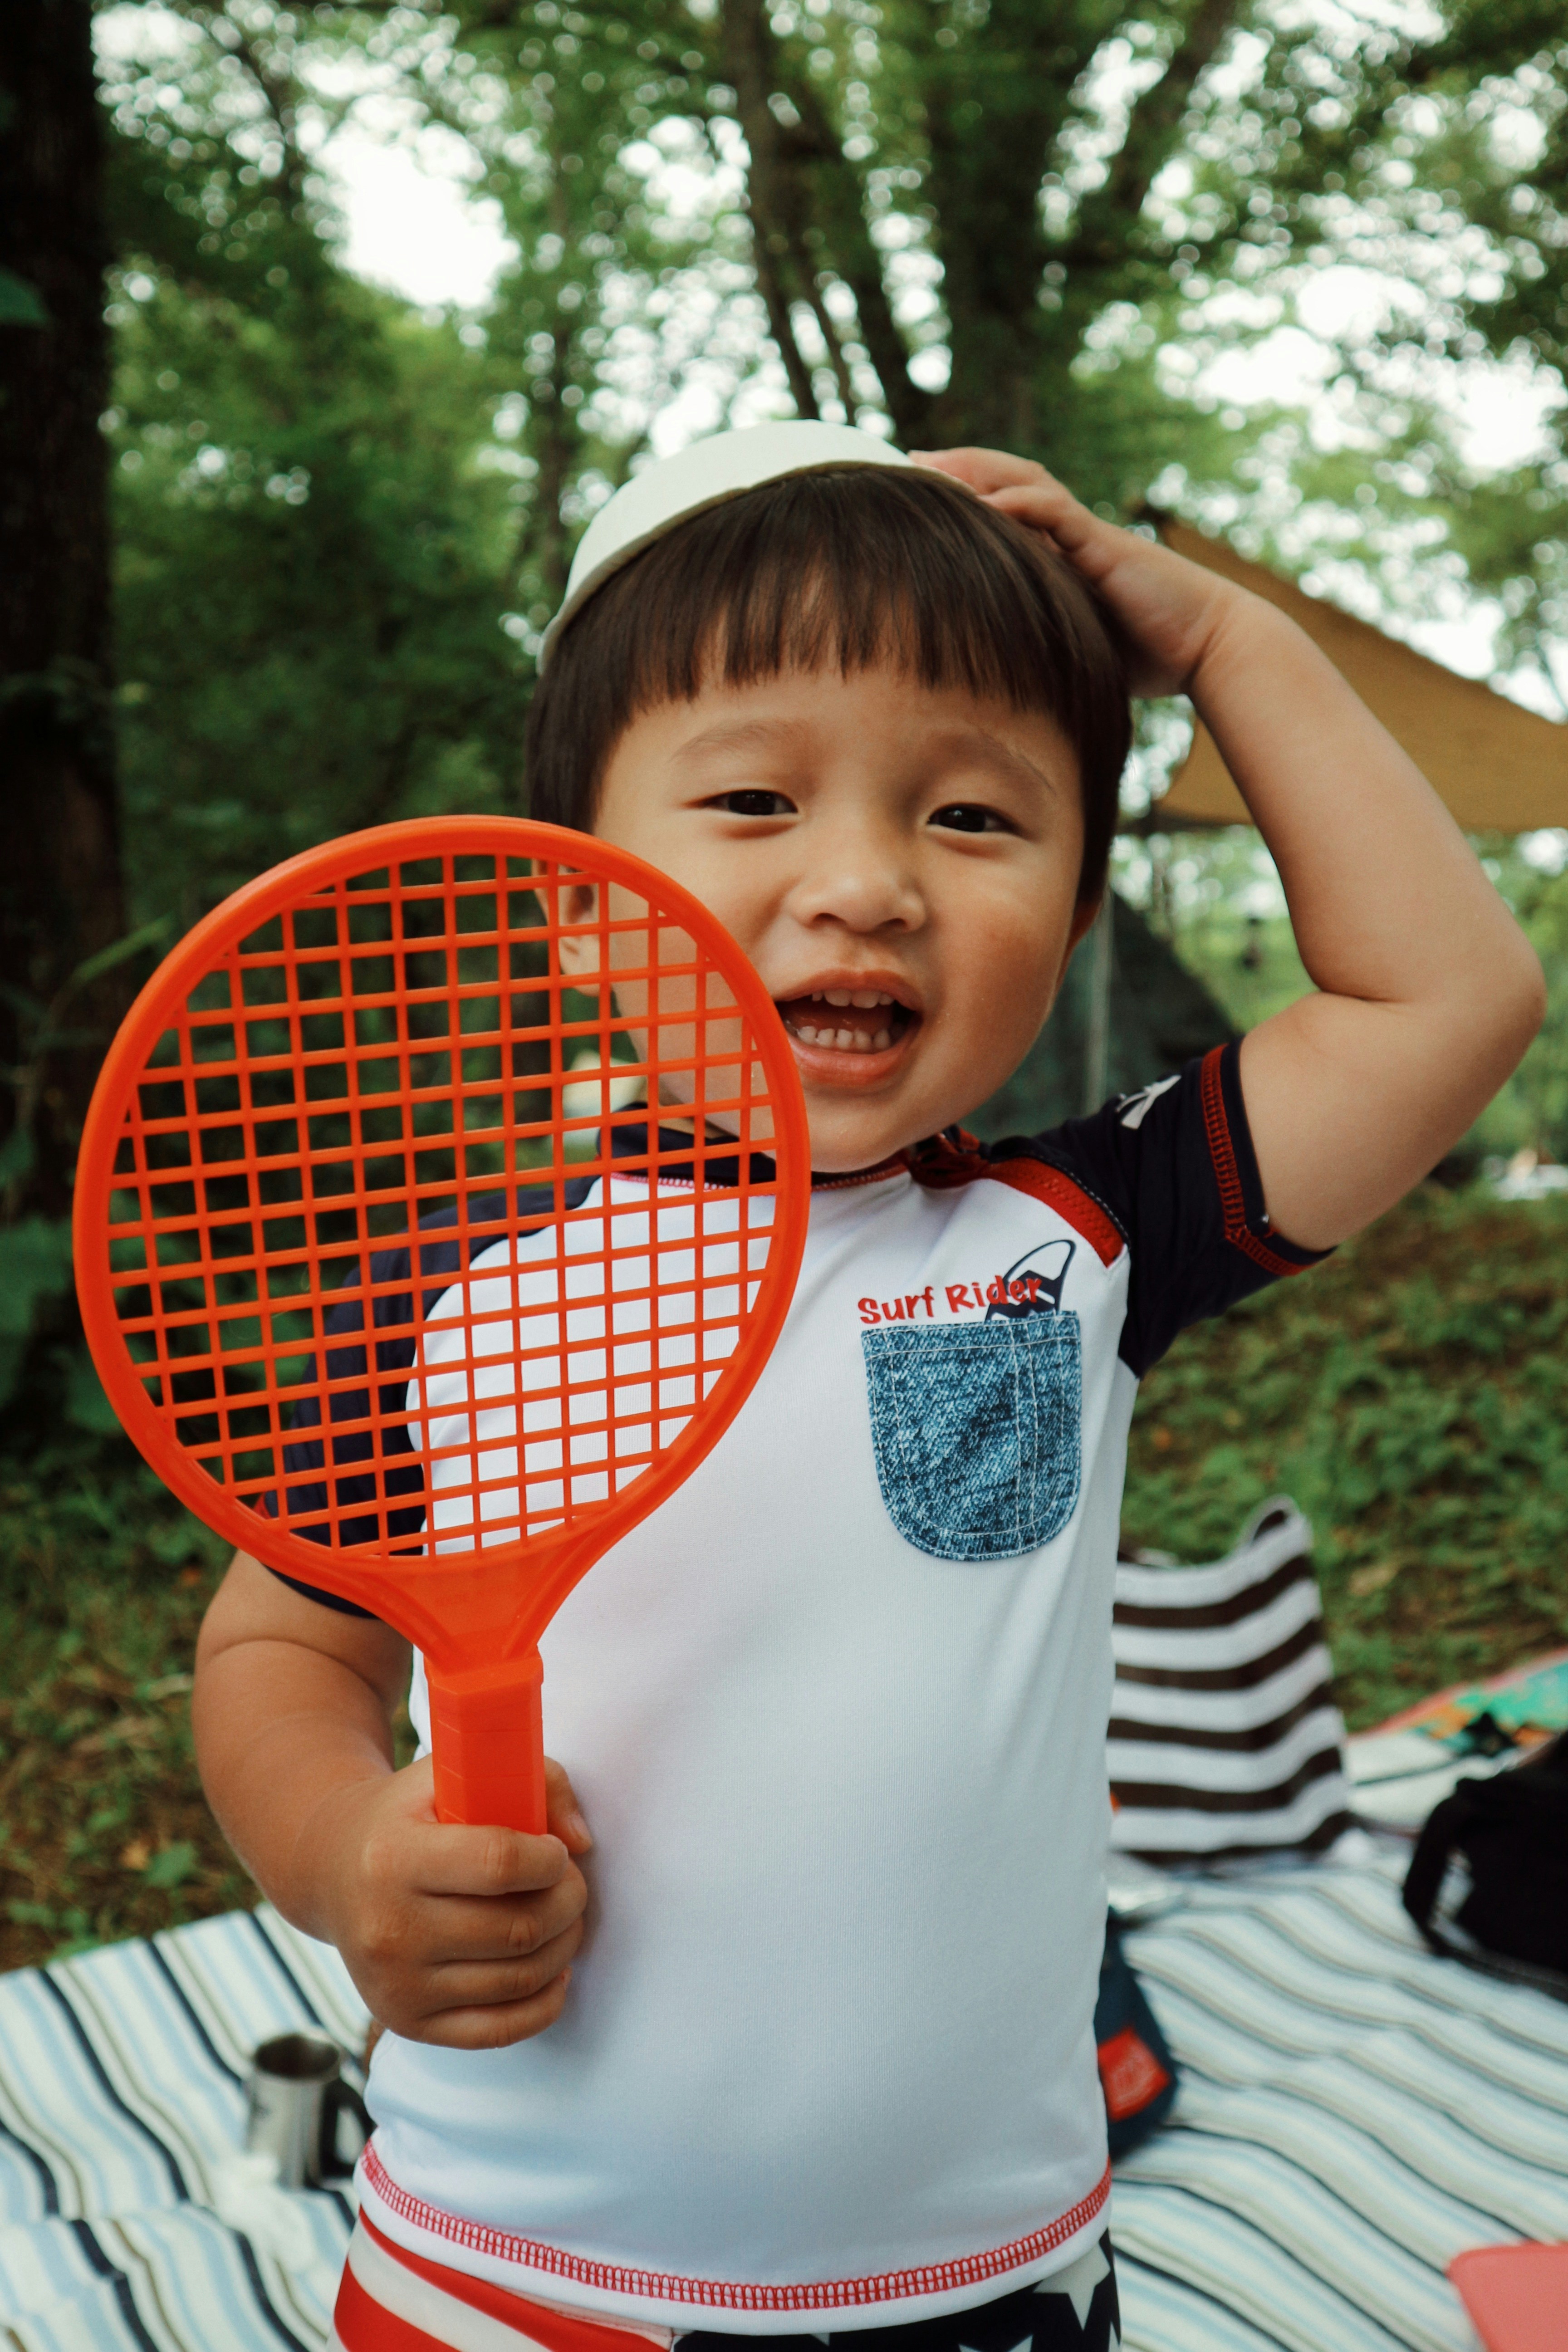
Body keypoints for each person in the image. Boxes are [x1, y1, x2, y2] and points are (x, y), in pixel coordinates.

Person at [192, 421, 1544, 2352]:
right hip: (501, 2277)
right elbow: (285, 1656)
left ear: (1076, 915)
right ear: (575, 897)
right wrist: (342, 1857)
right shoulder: (458, 1293)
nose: (865, 883)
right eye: (752, 799)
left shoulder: (1085, 1234)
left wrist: (1233, 643)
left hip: (982, 2287)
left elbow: (1450, 997)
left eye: (976, 821)